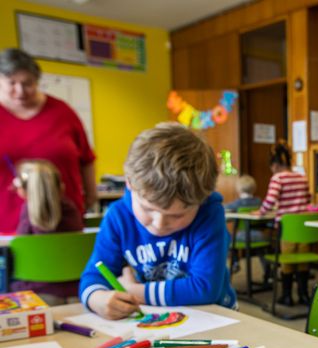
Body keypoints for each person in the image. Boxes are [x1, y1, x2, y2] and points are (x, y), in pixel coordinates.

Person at [79, 122, 236, 319]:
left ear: (202, 199)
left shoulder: (209, 214)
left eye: (177, 215)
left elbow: (205, 289)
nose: (160, 223)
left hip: (216, 319)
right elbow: (93, 277)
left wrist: (133, 291)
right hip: (153, 322)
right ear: (129, 183)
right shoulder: (118, 217)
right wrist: (96, 298)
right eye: (147, 209)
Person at [0, 48, 96, 233]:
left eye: (27, 83)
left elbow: (86, 159)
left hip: (64, 221)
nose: (20, 91)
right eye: (12, 83)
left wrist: (90, 196)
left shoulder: (63, 112)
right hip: (6, 225)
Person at [11, 159, 84, 304]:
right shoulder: (71, 209)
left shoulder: (28, 212)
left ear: (24, 191)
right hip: (77, 290)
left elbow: (20, 252)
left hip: (36, 295)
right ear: (61, 187)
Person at [254, 141, 311, 306]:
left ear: (274, 164)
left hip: (286, 228)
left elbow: (270, 201)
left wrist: (261, 212)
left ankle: (287, 296)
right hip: (303, 226)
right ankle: (304, 295)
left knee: (287, 260)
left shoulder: (277, 178)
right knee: (302, 260)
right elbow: (307, 199)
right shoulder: (302, 177)